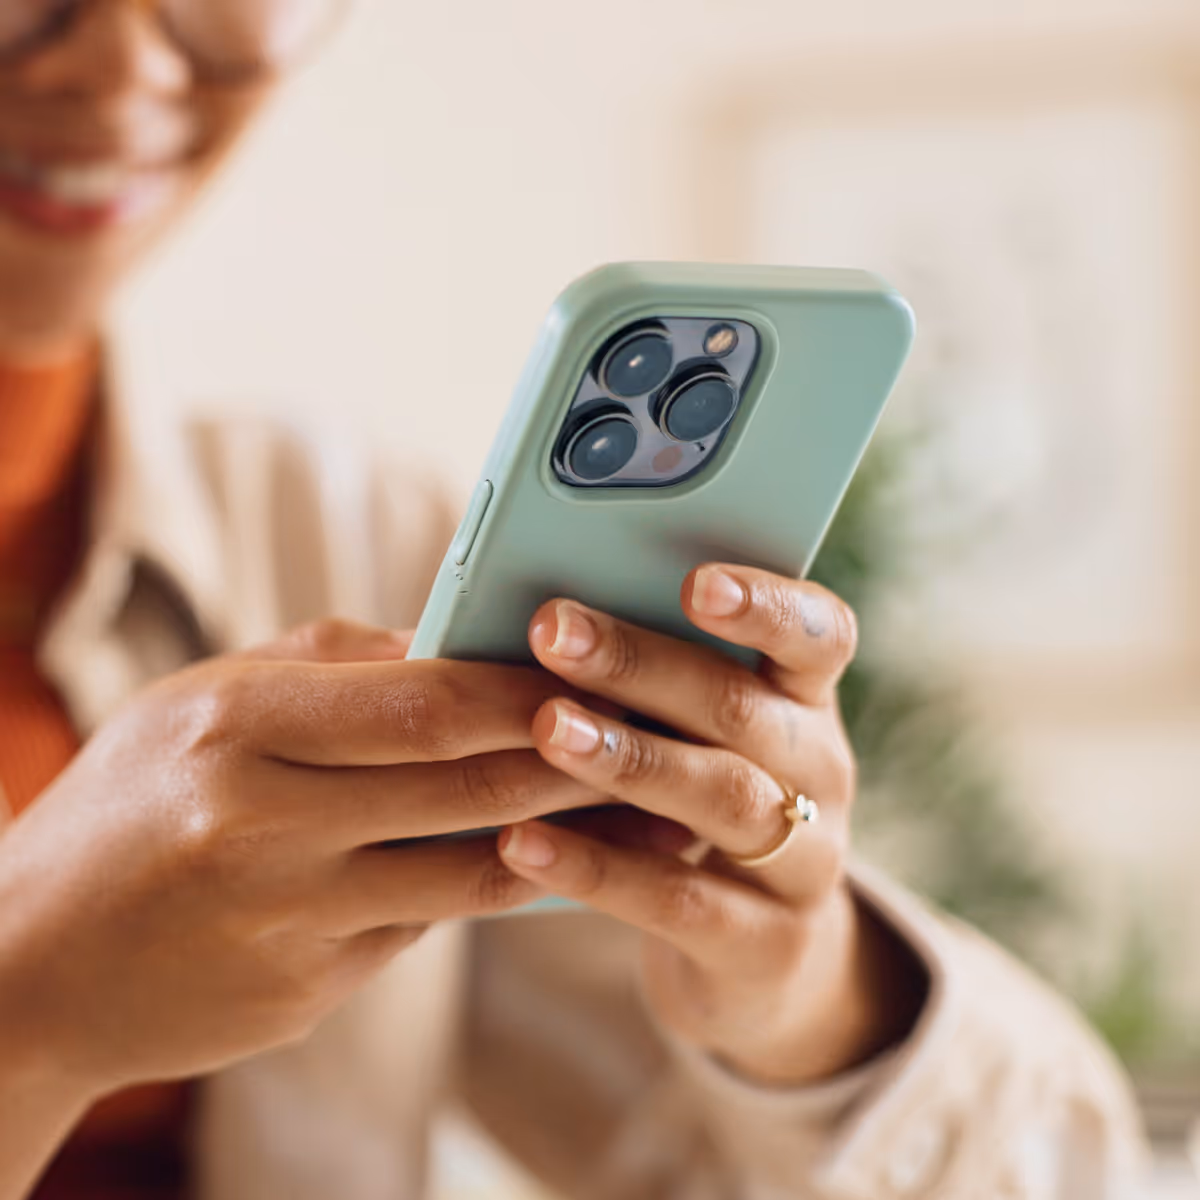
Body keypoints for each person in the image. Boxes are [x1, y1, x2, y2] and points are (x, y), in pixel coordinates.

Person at [0, 3, 1146, 1198]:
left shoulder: (347, 545)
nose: (125, 64)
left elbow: (1069, 1174)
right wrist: (28, 1008)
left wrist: (807, 996)